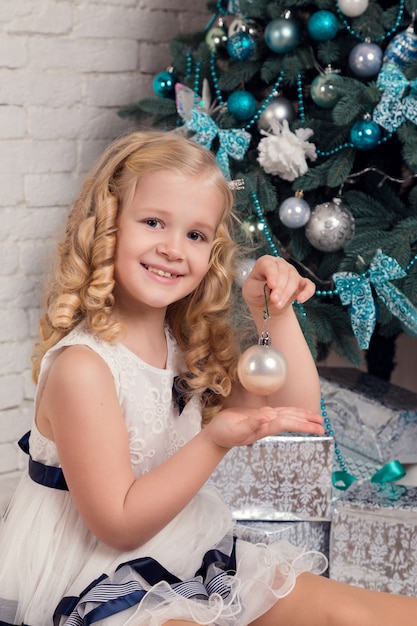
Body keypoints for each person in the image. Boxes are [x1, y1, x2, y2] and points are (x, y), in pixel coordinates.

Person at [0, 130, 416, 626]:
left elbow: (293, 407)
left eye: (196, 234)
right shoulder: (83, 368)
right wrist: (215, 441)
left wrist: (272, 313)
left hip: (180, 551)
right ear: (107, 226)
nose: (174, 249)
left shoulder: (184, 349)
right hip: (93, 577)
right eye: (154, 222)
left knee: (354, 613)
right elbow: (119, 525)